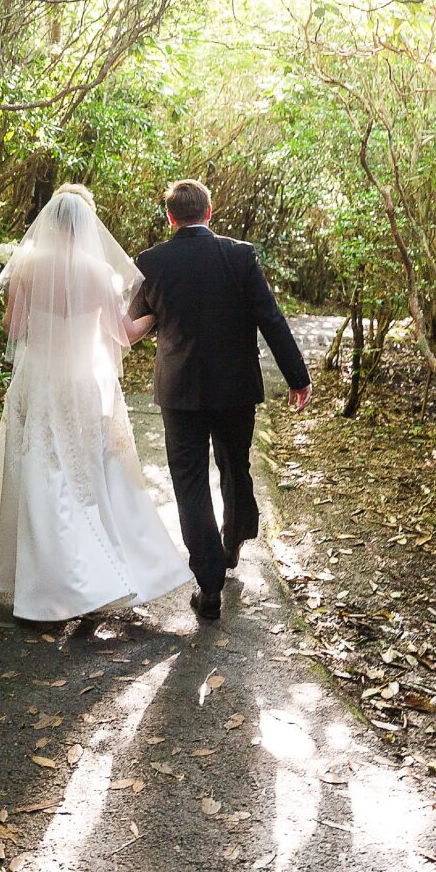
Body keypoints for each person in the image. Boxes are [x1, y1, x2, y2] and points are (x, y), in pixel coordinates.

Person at [0, 184, 190, 621]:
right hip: (82, 384)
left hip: (37, 381)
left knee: (40, 473)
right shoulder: (99, 273)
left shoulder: (25, 267)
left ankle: (42, 585)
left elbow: (13, 325)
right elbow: (122, 335)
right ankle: (89, 578)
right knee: (86, 476)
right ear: (85, 224)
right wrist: (158, 312)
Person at [130, 179, 311, 621]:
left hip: (179, 390)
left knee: (189, 483)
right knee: (234, 465)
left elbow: (134, 320)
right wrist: (297, 377)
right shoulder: (240, 255)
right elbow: (270, 317)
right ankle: (232, 543)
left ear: (170, 217)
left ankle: (209, 582)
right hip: (234, 388)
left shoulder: (152, 262)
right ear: (209, 212)